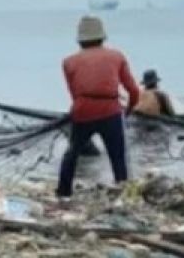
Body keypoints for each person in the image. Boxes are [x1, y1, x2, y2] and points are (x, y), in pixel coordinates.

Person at [57, 16, 140, 198]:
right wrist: (129, 110)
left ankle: (63, 194)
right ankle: (123, 193)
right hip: (110, 111)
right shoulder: (116, 56)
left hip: (82, 112)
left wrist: (80, 108)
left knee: (72, 154)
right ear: (102, 37)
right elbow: (133, 90)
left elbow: (75, 94)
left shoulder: (68, 62)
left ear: (80, 40)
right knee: (118, 157)